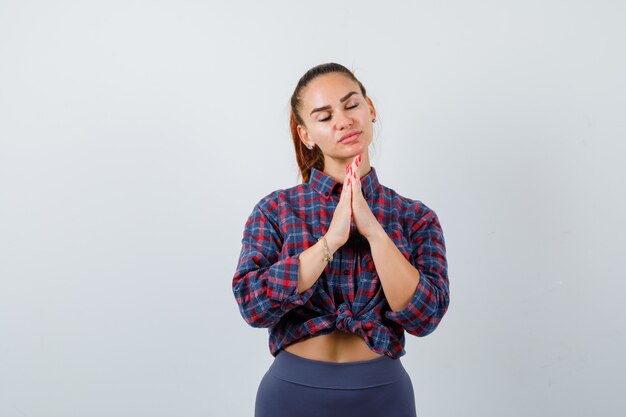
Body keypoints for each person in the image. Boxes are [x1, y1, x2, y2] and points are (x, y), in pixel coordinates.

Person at [232, 62, 450, 417]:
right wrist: (330, 242)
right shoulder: (276, 208)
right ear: (306, 135)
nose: (344, 120)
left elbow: (425, 317)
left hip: (383, 395)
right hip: (292, 394)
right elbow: (253, 304)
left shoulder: (415, 216)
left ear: (370, 109)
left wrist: (375, 233)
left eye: (351, 105)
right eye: (324, 115)